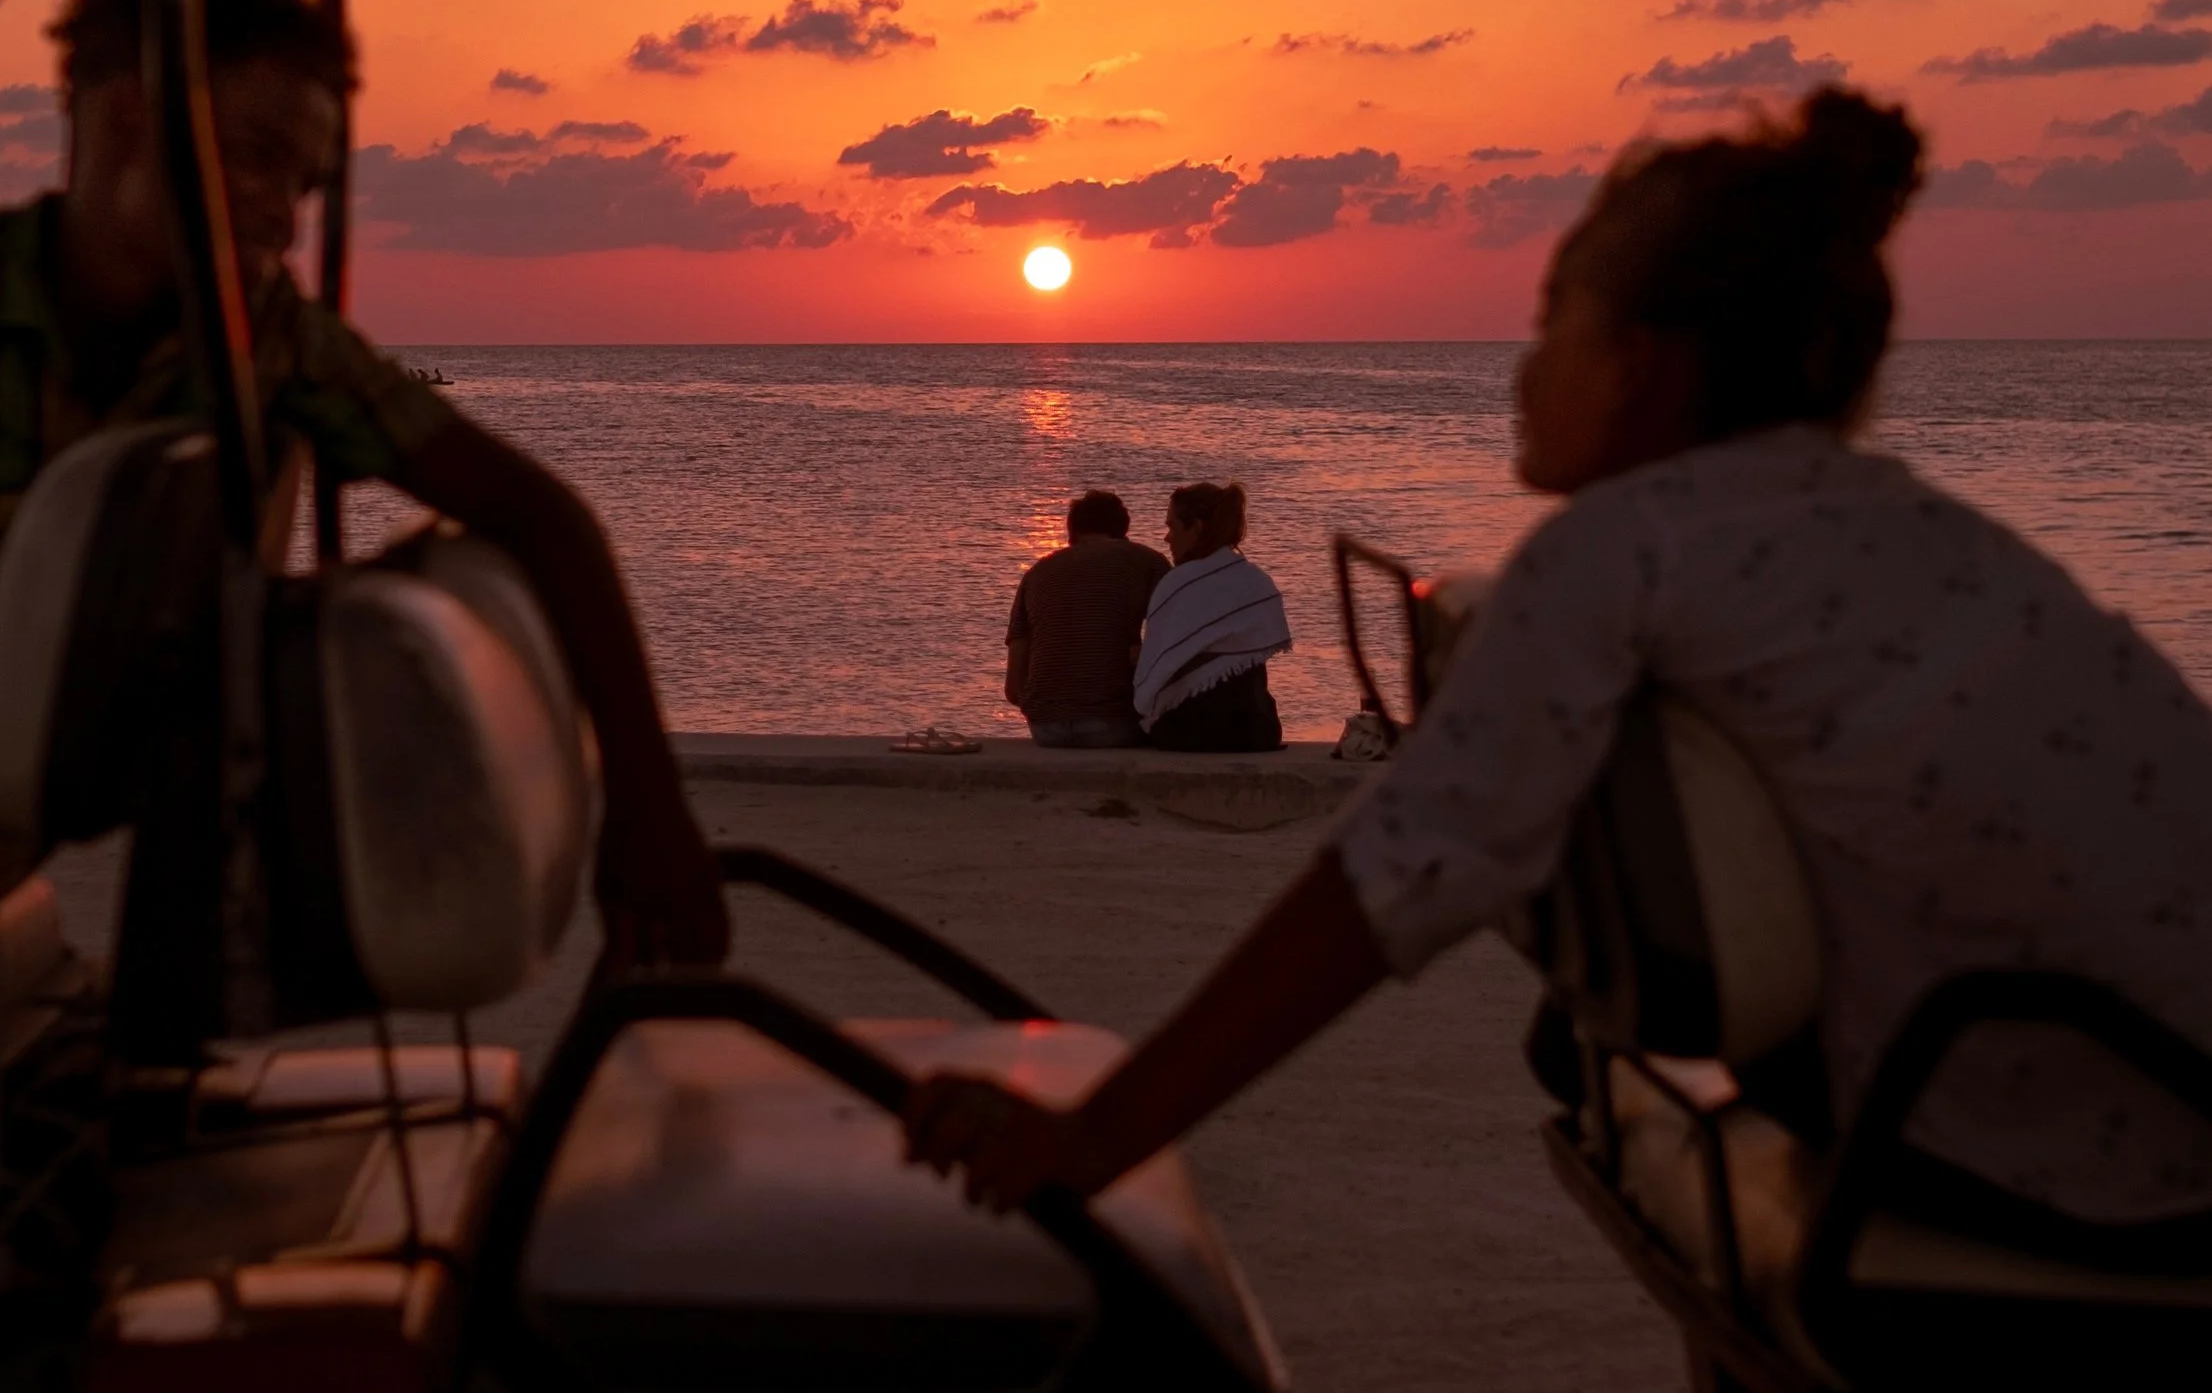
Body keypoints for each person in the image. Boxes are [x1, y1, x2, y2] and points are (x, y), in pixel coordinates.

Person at [904, 87, 2212, 1243]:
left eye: (1551, 323)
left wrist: (1097, 1132)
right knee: (1567, 1031)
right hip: (2160, 1074)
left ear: (1641, 366)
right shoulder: (1926, 528)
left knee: (1575, 1042)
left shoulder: (1622, 548)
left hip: (2099, 1148)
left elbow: (1388, 876)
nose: (1523, 367)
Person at [0, 0, 727, 999]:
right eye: (253, 159)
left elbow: (536, 514)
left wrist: (648, 810)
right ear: (122, 126)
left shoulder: (264, 350)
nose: (282, 218)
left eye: (303, 184)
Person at [1132, 483, 1289, 753]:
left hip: (1189, 732)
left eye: (1172, 527)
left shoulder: (1177, 584)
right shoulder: (1257, 582)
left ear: (1196, 528)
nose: (1166, 539)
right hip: (1256, 731)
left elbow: (1155, 674)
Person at [1006, 490, 1168, 748]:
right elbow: (1178, 642)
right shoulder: (1149, 563)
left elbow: (1013, 688)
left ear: (1072, 530)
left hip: (1045, 728)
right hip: (1114, 723)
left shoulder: (1036, 573)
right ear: (1123, 529)